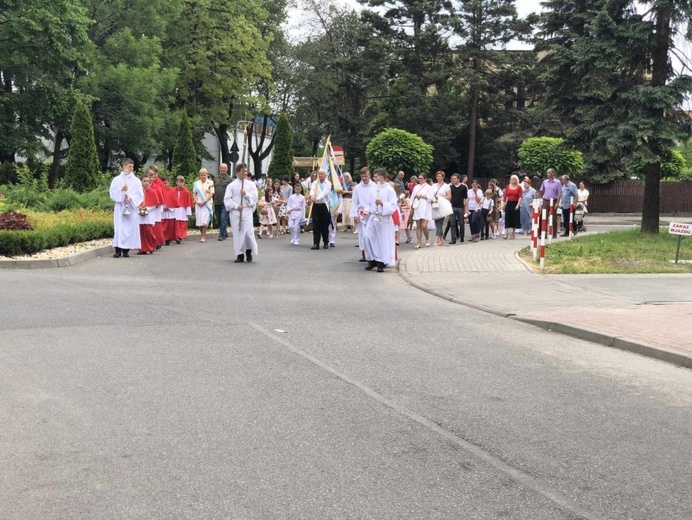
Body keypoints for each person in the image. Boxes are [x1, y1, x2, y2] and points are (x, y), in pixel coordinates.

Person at [363, 169, 398, 273]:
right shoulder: (373, 190)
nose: (373, 178)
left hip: (384, 219)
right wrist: (366, 210)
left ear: (381, 178)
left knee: (381, 241)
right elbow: (368, 203)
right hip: (373, 217)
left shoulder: (389, 190)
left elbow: (393, 206)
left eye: (375, 177)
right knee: (367, 237)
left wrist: (382, 203)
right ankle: (371, 259)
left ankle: (380, 262)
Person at [109, 158, 143, 258]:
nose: (131, 168)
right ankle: (117, 250)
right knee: (119, 228)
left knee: (130, 229)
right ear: (124, 166)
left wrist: (131, 198)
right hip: (120, 207)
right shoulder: (116, 180)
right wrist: (121, 191)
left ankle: (126, 251)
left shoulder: (136, 181)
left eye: (132, 167)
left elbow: (140, 195)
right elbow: (112, 193)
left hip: (131, 208)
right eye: (129, 166)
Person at [224, 164, 259, 263]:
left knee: (248, 233)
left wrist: (246, 194)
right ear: (238, 172)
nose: (245, 173)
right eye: (243, 171)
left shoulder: (251, 185)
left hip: (247, 211)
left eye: (246, 171)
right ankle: (239, 254)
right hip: (236, 212)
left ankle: (248, 252)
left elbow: (255, 198)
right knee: (238, 233)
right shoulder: (231, 185)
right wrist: (236, 206)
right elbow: (227, 199)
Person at [351, 167, 377, 261]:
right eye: (362, 176)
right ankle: (365, 253)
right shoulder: (357, 188)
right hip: (361, 213)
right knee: (362, 234)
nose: (364, 178)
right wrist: (355, 214)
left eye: (366, 176)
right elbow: (354, 202)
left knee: (371, 234)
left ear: (369, 175)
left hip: (371, 212)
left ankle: (373, 254)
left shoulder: (374, 186)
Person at [309, 169, 332, 250]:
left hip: (324, 206)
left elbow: (325, 193)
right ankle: (316, 243)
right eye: (320, 174)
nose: (321, 175)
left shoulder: (328, 183)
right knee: (316, 225)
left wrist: (317, 198)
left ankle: (326, 241)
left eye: (322, 174)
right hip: (316, 206)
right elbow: (312, 190)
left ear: (325, 175)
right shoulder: (315, 183)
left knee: (324, 225)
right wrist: (312, 196)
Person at [411, 173, 433, 248]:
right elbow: (412, 197)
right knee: (418, 226)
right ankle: (419, 243)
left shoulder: (429, 187)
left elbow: (431, 198)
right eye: (419, 178)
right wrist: (411, 207)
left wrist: (423, 195)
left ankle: (427, 239)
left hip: (426, 208)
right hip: (418, 207)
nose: (420, 180)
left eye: (421, 178)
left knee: (424, 226)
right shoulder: (416, 187)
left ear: (425, 179)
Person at [430, 171, 451, 246]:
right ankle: (442, 239)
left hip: (442, 206)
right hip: (435, 205)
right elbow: (431, 194)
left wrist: (440, 197)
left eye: (440, 176)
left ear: (443, 177)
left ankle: (436, 240)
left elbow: (449, 196)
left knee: (439, 223)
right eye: (437, 176)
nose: (438, 177)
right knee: (437, 223)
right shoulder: (434, 185)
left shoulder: (446, 186)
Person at [146, 165, 165, 249]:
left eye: (155, 173)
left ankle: (158, 241)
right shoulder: (145, 183)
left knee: (156, 223)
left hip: (156, 206)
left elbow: (161, 193)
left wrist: (159, 203)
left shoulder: (159, 183)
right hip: (147, 206)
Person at [137, 175, 156, 255]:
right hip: (140, 213)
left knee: (148, 231)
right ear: (141, 182)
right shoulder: (138, 191)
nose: (146, 183)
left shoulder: (152, 191)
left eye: (148, 181)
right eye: (144, 181)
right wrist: (140, 208)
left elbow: (155, 204)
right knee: (141, 232)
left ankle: (151, 247)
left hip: (149, 215)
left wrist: (147, 209)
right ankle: (142, 249)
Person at [540, 168, 561, 239]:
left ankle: (554, 233)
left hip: (554, 201)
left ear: (552, 173)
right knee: (544, 217)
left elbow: (559, 193)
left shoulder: (558, 182)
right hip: (545, 200)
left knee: (554, 218)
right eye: (547, 173)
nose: (547, 174)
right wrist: (541, 201)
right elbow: (541, 191)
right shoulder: (545, 182)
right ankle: (544, 233)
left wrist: (557, 203)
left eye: (548, 173)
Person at [448, 173, 468, 244]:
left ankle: (462, 236)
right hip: (452, 206)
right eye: (452, 179)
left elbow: (466, 198)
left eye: (455, 179)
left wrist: (466, 208)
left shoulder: (463, 187)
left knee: (461, 223)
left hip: (460, 207)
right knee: (452, 223)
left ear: (458, 179)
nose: (453, 180)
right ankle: (453, 238)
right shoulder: (450, 187)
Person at [214, 163, 231, 241]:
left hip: (225, 202)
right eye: (222, 168)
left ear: (227, 169)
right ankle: (224, 232)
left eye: (225, 168)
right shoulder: (216, 178)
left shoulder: (230, 179)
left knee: (223, 219)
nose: (223, 169)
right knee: (219, 219)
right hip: (217, 201)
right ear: (219, 169)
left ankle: (221, 235)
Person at [502, 175, 523, 239]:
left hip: (516, 203)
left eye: (514, 179)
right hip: (509, 203)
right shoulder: (508, 186)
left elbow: (520, 197)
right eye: (512, 179)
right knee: (507, 217)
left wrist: (518, 205)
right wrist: (503, 204)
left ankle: (513, 233)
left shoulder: (519, 187)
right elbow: (505, 196)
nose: (513, 180)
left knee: (514, 218)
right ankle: (506, 232)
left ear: (517, 180)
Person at [174, 175, 193, 243]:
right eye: (179, 182)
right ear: (176, 182)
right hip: (176, 209)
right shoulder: (174, 190)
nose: (181, 184)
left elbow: (188, 202)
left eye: (182, 182)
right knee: (177, 224)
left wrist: (188, 212)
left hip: (183, 210)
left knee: (183, 224)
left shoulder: (186, 191)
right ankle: (177, 236)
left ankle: (181, 236)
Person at [161, 175, 178, 245]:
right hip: (162, 211)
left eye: (166, 183)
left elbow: (174, 200)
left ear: (169, 183)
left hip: (170, 211)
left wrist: (169, 207)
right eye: (163, 183)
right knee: (162, 226)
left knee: (169, 227)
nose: (164, 185)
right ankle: (162, 238)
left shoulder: (172, 191)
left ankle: (168, 239)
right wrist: (162, 207)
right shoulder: (160, 190)